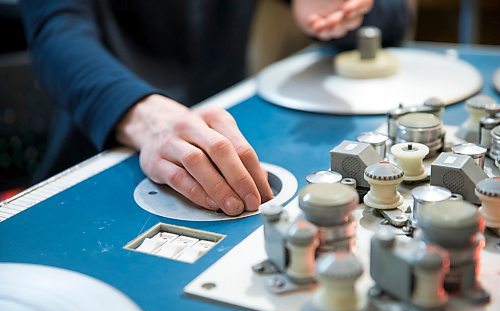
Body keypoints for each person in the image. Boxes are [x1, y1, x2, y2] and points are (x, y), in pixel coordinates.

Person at [20, 0, 409, 216]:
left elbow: (391, 19)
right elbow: (56, 37)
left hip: (236, 137)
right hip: (97, 157)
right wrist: (148, 118)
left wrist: (337, 12)